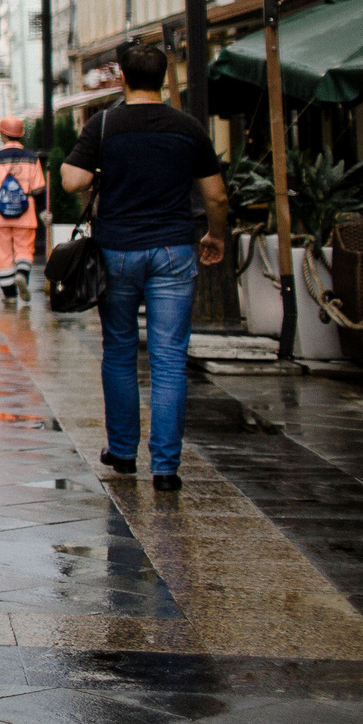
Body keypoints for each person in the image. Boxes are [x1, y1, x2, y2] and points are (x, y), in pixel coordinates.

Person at [58, 46, 227, 493]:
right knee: (169, 358)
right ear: (164, 76)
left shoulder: (106, 124)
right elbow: (217, 195)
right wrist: (216, 235)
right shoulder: (187, 127)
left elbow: (72, 180)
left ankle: (124, 452)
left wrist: (101, 169)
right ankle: (166, 468)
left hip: (117, 251)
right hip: (174, 249)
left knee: (118, 352)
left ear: (122, 78)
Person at [0, 115, 47, 302]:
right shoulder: (32, 158)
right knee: (24, 249)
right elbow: (38, 188)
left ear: (3, 135)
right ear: (21, 135)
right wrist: (43, 210)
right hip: (25, 213)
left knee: (3, 254)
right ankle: (21, 273)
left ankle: (10, 295)